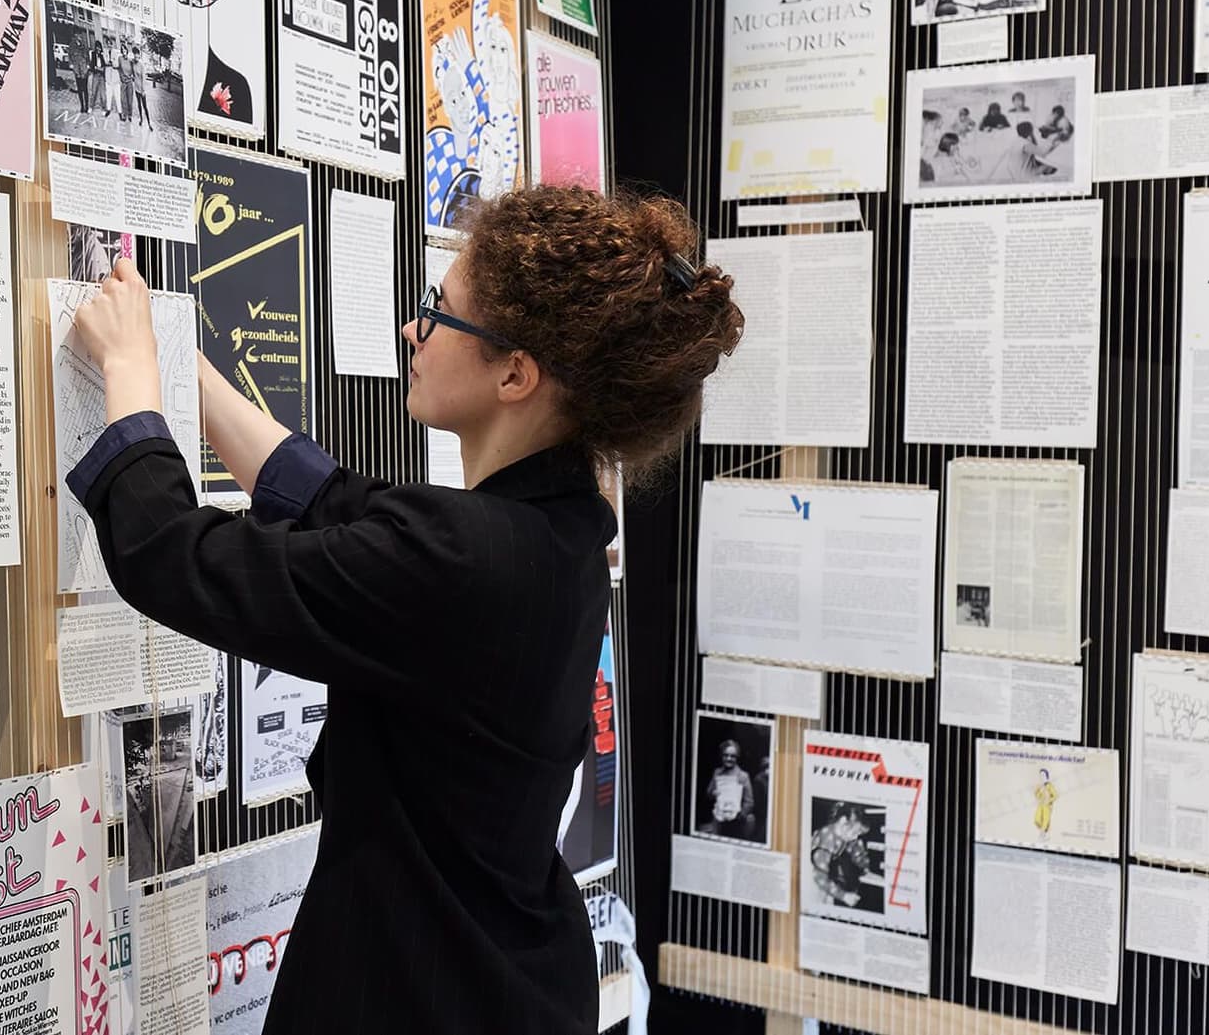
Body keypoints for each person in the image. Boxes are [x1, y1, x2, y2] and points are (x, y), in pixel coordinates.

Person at [64, 186, 743, 1033]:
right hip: (510, 978)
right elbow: (334, 502)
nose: (413, 330)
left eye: (439, 312)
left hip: (417, 991)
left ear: (514, 372)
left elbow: (178, 558)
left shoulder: (472, 556)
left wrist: (130, 376)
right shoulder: (558, 531)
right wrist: (182, 369)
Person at [698, 739, 759, 840]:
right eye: (725, 755)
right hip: (719, 818)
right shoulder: (717, 772)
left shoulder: (743, 776)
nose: (729, 759)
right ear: (721, 756)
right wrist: (713, 793)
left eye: (732, 756)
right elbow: (708, 794)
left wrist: (738, 815)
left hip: (737, 822)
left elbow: (749, 802)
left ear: (737, 757)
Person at [1034, 768, 1058, 837]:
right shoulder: (1040, 786)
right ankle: (1043, 831)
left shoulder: (1049, 786)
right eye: (1040, 775)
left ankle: (1044, 834)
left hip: (1047, 806)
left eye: (1043, 775)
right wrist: (1037, 790)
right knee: (1037, 819)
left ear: (1047, 776)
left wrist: (1049, 800)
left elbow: (1055, 795)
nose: (1041, 777)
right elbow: (1037, 796)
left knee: (1045, 820)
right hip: (1041, 805)